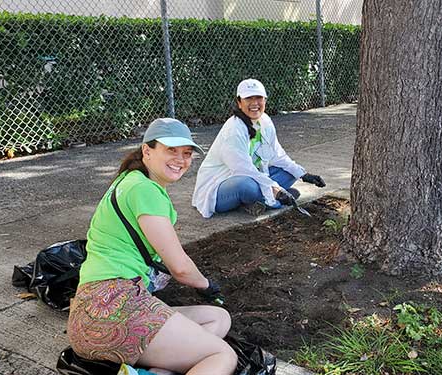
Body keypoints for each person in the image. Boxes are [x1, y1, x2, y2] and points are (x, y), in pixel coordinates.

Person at [67, 118, 237, 374]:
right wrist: (207, 285)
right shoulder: (144, 190)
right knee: (221, 354)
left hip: (92, 313)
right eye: (171, 150)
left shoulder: (131, 180)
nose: (180, 159)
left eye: (187, 154)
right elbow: (179, 267)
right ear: (147, 150)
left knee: (218, 319)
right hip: (116, 310)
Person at [193, 78, 326, 218]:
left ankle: (256, 202)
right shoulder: (234, 130)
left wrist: (304, 175)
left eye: (259, 98)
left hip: (254, 176)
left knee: (291, 172)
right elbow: (242, 170)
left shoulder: (265, 121)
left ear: (265, 100)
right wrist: (277, 189)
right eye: (249, 98)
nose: (254, 103)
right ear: (239, 102)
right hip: (223, 185)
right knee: (247, 186)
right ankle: (272, 202)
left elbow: (278, 155)